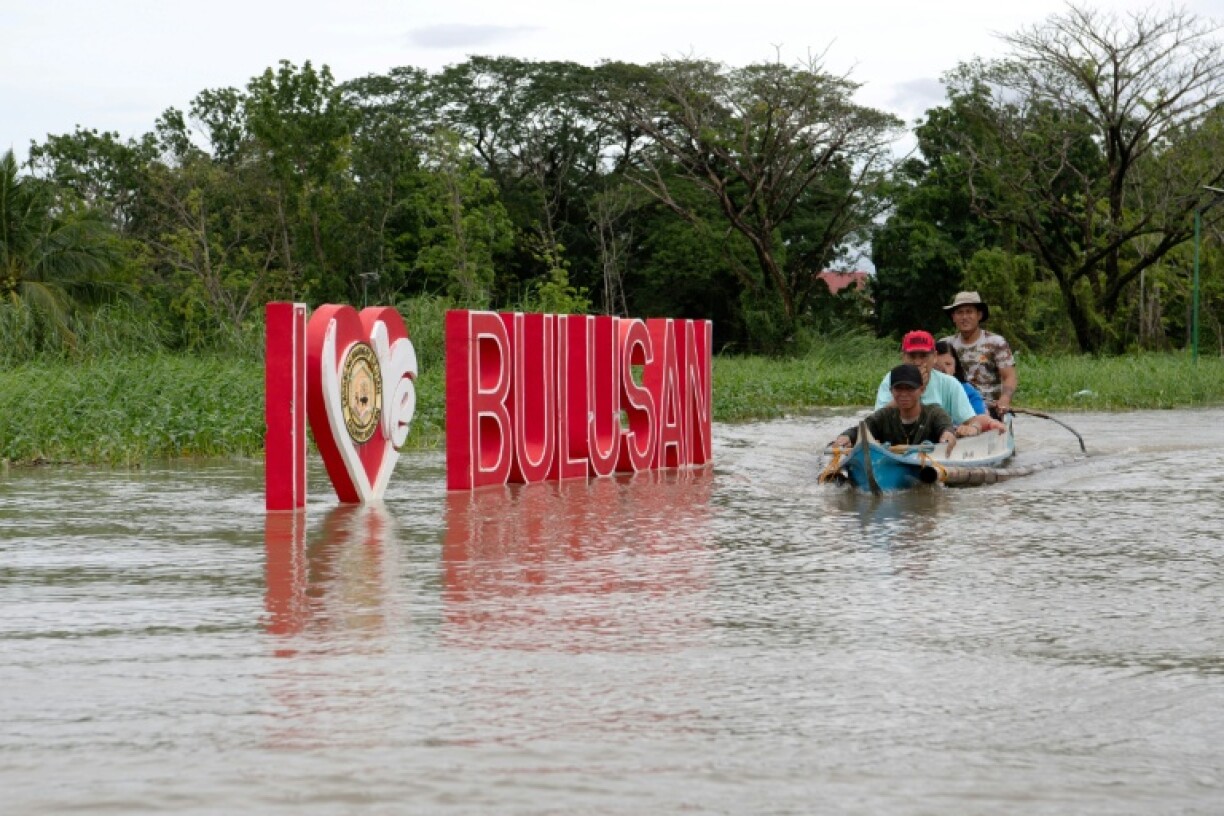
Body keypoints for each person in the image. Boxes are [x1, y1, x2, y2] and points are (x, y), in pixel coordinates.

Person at [874, 330, 997, 436]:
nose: (917, 362)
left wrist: (972, 428)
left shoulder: (950, 383)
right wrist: (910, 392)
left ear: (934, 357)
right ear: (903, 357)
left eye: (923, 356)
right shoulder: (890, 380)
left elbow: (971, 421)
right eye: (912, 356)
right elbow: (877, 421)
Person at [834, 364, 957, 450]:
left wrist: (947, 435)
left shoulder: (934, 413)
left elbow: (946, 428)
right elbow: (861, 430)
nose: (904, 394)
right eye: (898, 389)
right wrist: (846, 437)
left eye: (910, 388)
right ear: (891, 391)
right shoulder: (884, 416)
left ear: (922, 390)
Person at [940, 291, 1017, 417]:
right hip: (954, 407)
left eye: (969, 312)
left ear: (979, 315)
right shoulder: (945, 345)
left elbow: (1009, 376)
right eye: (960, 312)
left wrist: (1005, 399)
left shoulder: (995, 342)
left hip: (988, 407)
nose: (964, 317)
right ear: (953, 317)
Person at [934, 339, 1008, 432]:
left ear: (955, 367)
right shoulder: (921, 389)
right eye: (936, 366)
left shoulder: (968, 391)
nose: (943, 370)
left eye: (948, 364)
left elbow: (979, 416)